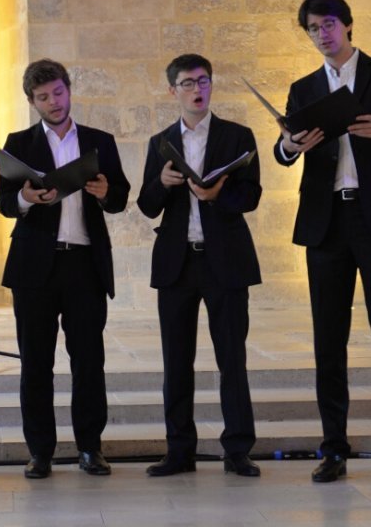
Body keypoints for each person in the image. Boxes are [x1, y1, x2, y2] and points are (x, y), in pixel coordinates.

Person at [273, 0, 371, 484]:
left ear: (348, 25)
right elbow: (283, 149)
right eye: (314, 28)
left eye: (330, 24)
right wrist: (289, 145)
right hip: (327, 223)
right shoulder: (304, 87)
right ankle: (333, 449)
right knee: (328, 341)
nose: (323, 34)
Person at [0, 59, 130, 479]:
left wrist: (108, 193)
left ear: (69, 91)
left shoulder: (98, 141)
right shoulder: (18, 142)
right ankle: (40, 452)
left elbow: (121, 196)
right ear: (31, 101)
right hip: (35, 267)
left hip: (84, 263)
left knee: (88, 360)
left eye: (57, 92)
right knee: (36, 363)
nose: (52, 102)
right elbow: (4, 203)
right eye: (42, 97)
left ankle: (91, 448)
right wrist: (24, 200)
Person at [136, 54, 262, 478]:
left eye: (203, 81)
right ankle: (179, 450)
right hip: (177, 263)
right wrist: (163, 184)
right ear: (173, 91)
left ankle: (238, 449)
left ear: (211, 86)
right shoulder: (161, 142)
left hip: (225, 260)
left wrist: (216, 198)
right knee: (177, 360)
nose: (197, 89)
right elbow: (146, 205)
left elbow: (251, 196)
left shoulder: (237, 135)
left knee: (232, 358)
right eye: (187, 83)